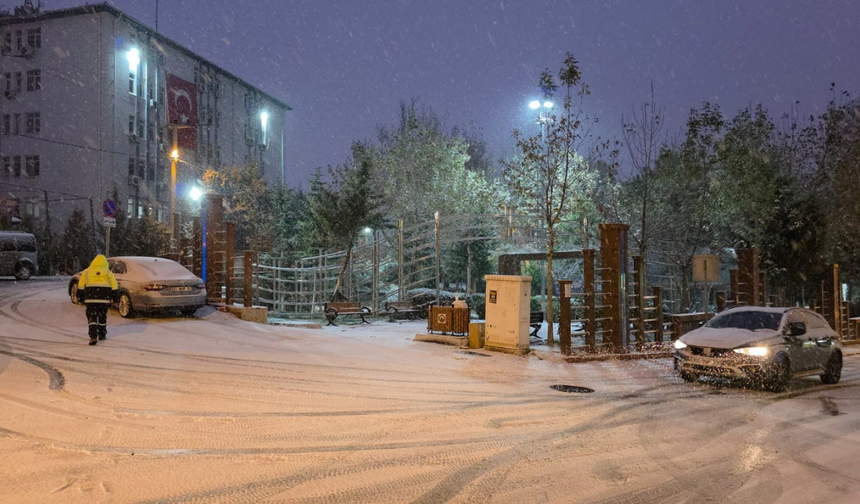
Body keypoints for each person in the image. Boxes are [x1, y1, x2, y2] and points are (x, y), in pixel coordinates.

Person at [77, 254, 118, 346]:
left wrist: (80, 297)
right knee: (102, 316)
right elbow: (114, 285)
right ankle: (102, 334)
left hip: (90, 299)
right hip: (104, 300)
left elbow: (80, 285)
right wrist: (115, 297)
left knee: (92, 317)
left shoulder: (86, 272)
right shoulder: (108, 272)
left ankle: (93, 336)